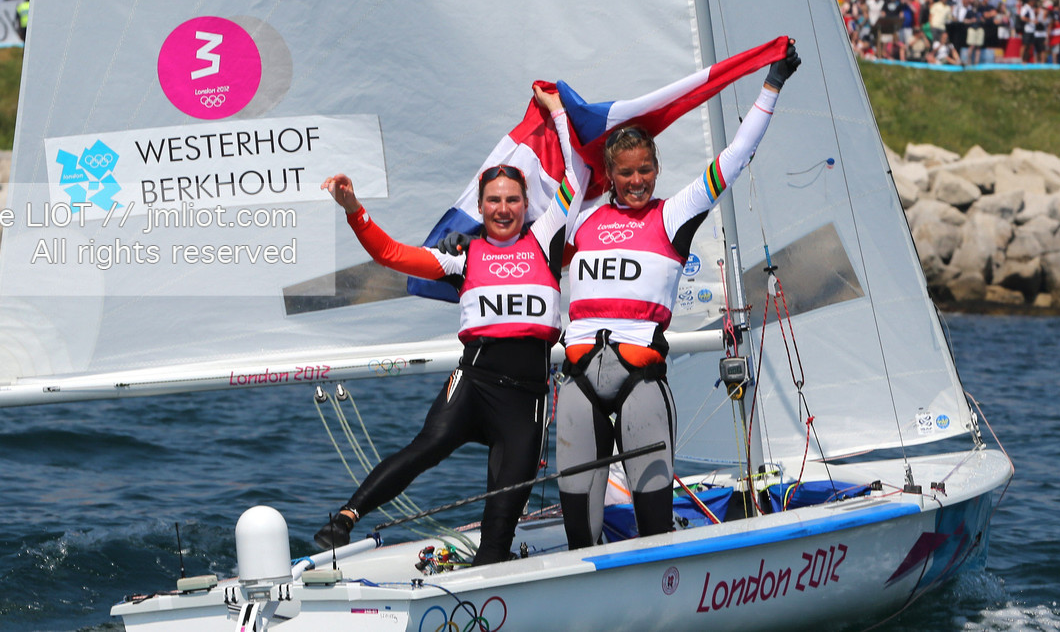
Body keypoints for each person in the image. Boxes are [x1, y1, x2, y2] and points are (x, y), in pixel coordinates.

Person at [313, 86, 577, 566]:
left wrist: (558, 113)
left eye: (512, 200)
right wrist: (354, 210)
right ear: (481, 207)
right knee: (427, 446)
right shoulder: (463, 258)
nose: (503, 209)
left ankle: (489, 577)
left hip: (527, 398)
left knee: (500, 524)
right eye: (493, 200)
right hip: (473, 383)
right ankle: (347, 518)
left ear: (525, 204)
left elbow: (574, 179)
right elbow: (391, 254)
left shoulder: (543, 242)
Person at [556, 44, 801, 550]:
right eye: (625, 172)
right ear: (610, 174)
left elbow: (734, 158)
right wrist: (559, 115)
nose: (637, 180)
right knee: (580, 537)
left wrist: (771, 86)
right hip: (578, 382)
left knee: (653, 532)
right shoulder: (579, 219)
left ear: (656, 166)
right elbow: (557, 177)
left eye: (645, 169)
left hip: (640, 381)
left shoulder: (673, 215)